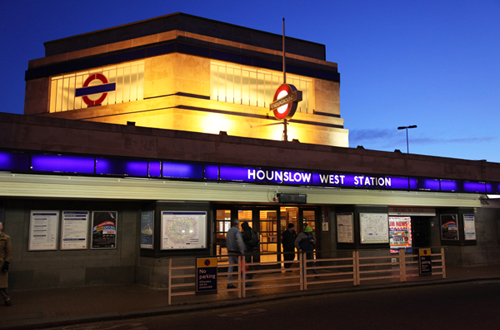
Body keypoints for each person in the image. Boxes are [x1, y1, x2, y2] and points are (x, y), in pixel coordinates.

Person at [226, 218, 246, 289]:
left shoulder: (229, 231)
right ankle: (244, 280)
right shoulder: (237, 231)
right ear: (237, 224)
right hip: (236, 252)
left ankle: (229, 282)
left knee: (230, 267)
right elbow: (239, 242)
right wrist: (242, 251)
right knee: (241, 266)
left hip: (230, 251)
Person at [0, 222, 12, 306]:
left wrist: (7, 262)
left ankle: (6, 299)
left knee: (2, 284)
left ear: (1, 227)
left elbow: (9, 251)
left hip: (1, 263)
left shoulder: (6, 238)